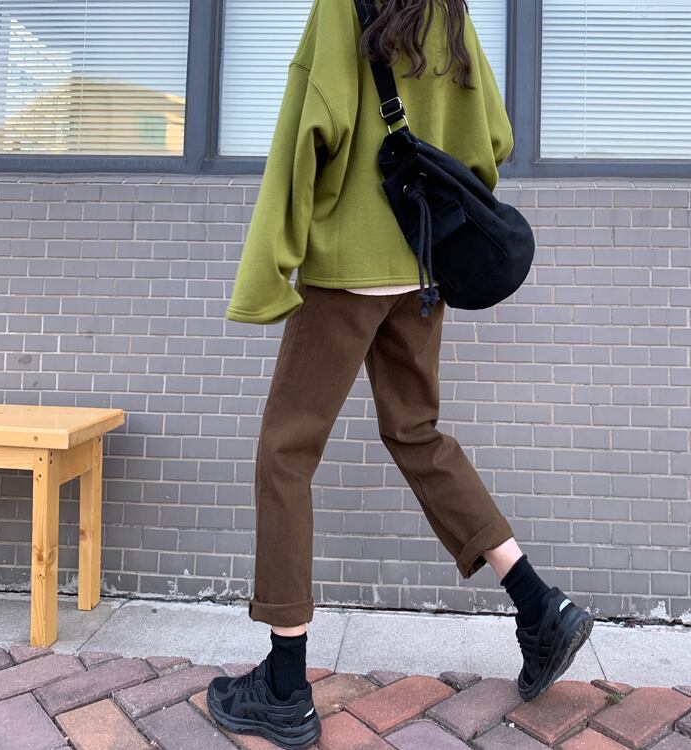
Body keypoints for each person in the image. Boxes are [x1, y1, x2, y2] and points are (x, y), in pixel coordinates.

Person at [206, 0, 593, 746]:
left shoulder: (342, 6)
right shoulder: (447, 10)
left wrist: (270, 265)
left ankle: (284, 683)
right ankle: (538, 605)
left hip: (344, 272)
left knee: (285, 453)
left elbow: (305, 132)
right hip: (421, 268)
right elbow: (495, 136)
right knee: (417, 433)